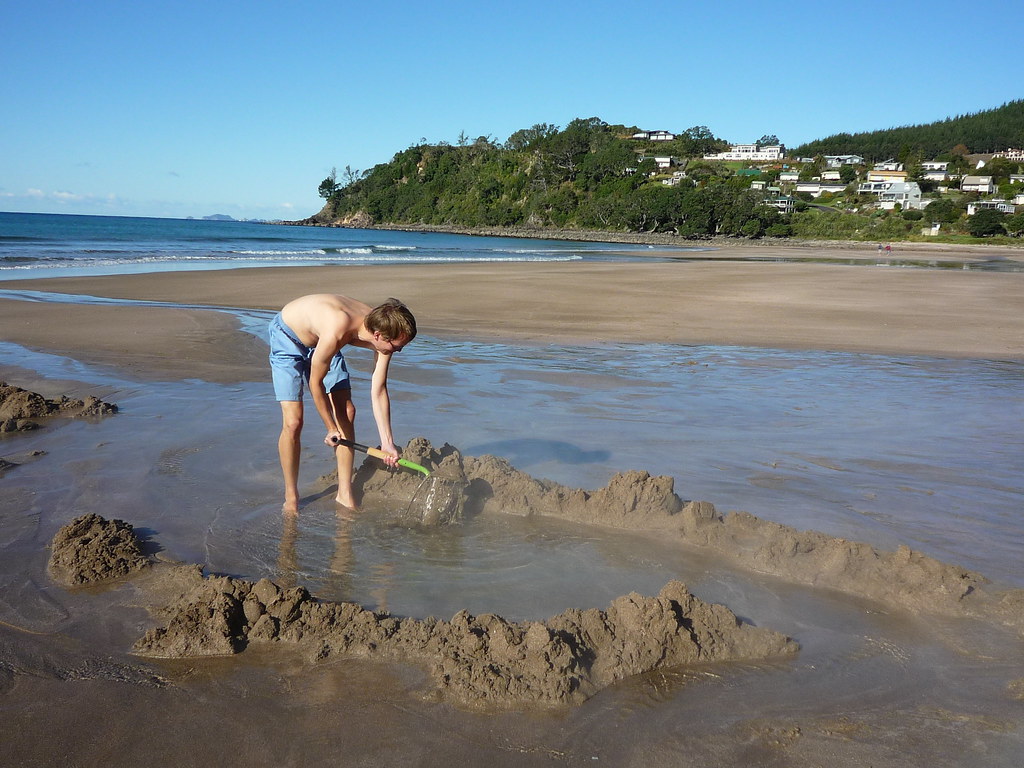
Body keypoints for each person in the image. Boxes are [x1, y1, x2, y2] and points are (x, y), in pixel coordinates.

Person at [268, 294, 416, 512]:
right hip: (288, 337)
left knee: (347, 411)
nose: (398, 351)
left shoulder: (387, 330)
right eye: (396, 347)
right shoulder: (339, 328)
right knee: (293, 422)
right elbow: (315, 382)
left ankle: (344, 494)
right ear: (378, 335)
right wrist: (330, 428)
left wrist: (387, 443)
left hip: (323, 342)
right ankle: (291, 496)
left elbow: (379, 389)